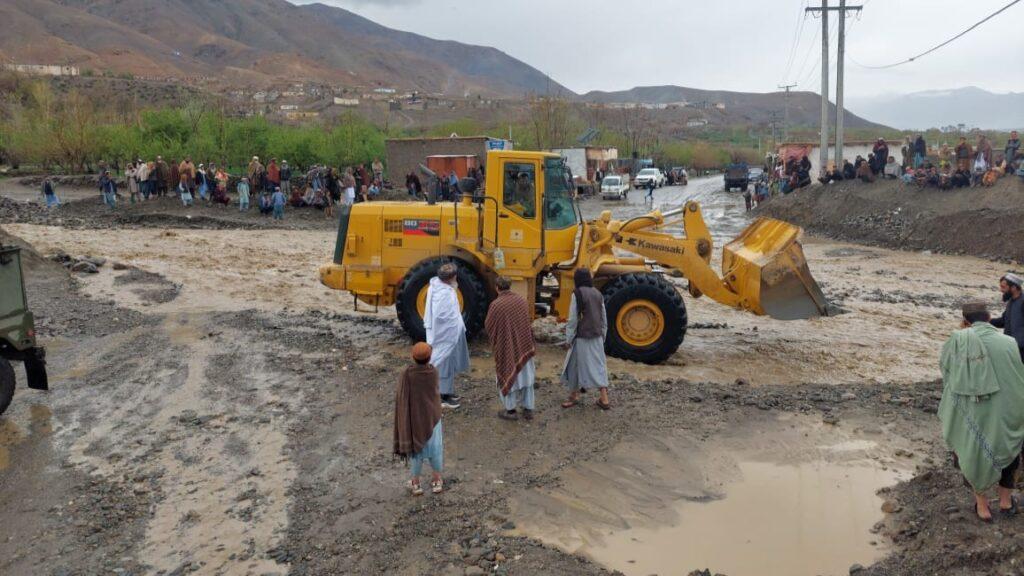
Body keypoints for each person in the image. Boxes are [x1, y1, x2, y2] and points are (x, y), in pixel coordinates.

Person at [939, 301, 1024, 521]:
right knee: (1008, 451)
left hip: (972, 410)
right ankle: (1005, 504)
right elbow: (1018, 377)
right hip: (1006, 411)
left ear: (965, 321)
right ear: (989, 318)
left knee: (971, 452)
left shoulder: (956, 342)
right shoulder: (1010, 342)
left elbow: (948, 376)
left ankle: (983, 508)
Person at [393, 342, 444, 496]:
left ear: (413, 357)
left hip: (414, 420)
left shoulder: (407, 374)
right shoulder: (433, 372)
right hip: (432, 418)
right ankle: (436, 480)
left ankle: (416, 484)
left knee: (416, 451)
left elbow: (402, 396)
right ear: (429, 358)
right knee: (435, 449)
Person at [485, 277, 537, 421]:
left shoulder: (496, 305)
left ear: (497, 287)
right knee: (527, 378)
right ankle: (528, 409)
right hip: (524, 345)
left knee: (508, 373)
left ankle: (511, 410)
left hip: (506, 346)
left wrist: (499, 337)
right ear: (510, 286)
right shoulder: (521, 300)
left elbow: (489, 326)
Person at [561, 268, 610, 411]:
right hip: (597, 336)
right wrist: (603, 336)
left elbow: (573, 320)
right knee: (598, 366)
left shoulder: (577, 294)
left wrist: (568, 339)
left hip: (582, 337)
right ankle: (601, 398)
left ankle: (577, 396)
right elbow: (603, 318)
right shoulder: (598, 294)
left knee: (576, 365)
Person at [424, 263, 469, 409]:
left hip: (446, 335)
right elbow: (442, 316)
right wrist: (453, 331)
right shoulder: (443, 294)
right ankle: (441, 397)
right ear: (452, 277)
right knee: (442, 364)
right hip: (444, 336)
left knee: (447, 364)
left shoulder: (438, 286)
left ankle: (447, 392)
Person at [991, 273, 1024, 361]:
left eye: (1003, 287)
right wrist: (987, 320)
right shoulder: (1011, 301)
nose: (1001, 290)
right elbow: (1004, 321)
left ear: (1013, 287)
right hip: (1011, 347)